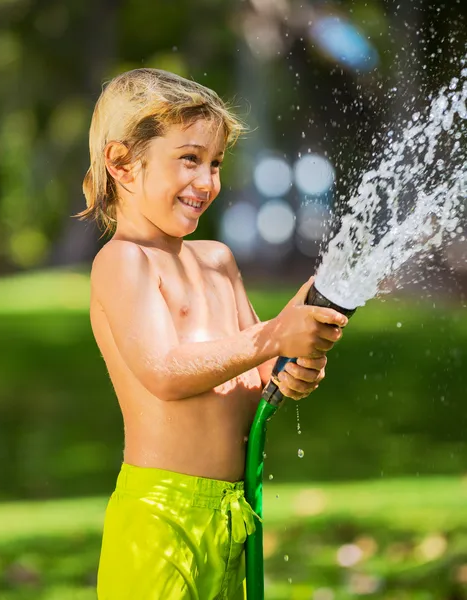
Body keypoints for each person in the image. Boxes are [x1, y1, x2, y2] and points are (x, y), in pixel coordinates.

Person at [78, 68, 347, 600]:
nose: (206, 182)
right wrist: (273, 336)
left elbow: (262, 370)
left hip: (232, 514)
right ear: (122, 164)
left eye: (215, 163)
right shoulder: (122, 262)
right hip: (160, 517)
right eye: (190, 159)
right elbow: (165, 371)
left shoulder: (218, 261)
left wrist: (299, 360)